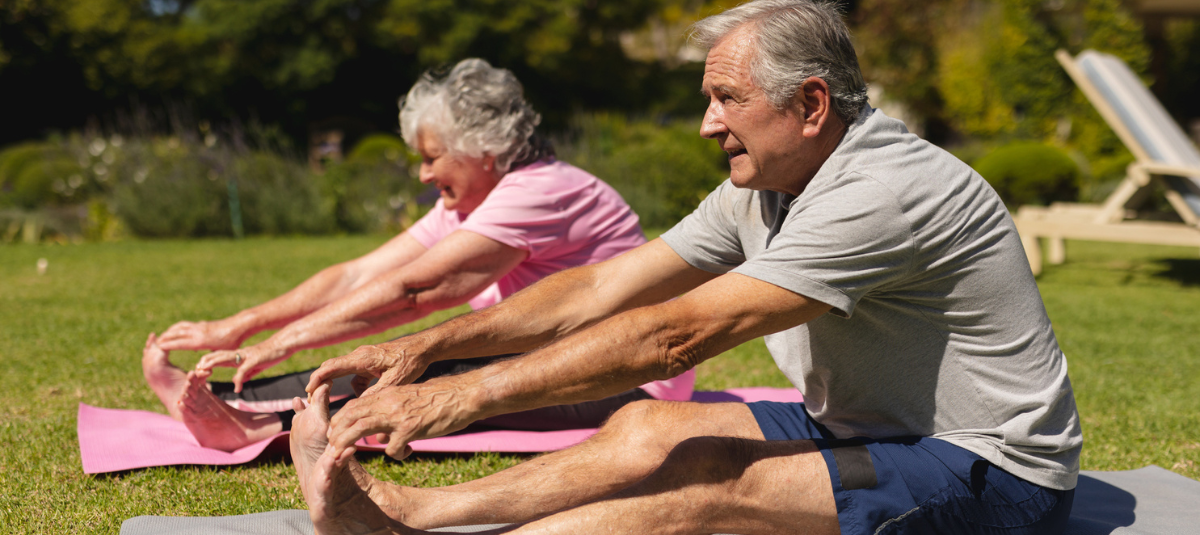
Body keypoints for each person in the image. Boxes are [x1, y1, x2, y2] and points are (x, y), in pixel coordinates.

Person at [289, 1, 1083, 533]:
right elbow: (605, 285)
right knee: (642, 426)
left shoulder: (880, 190)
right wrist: (424, 350)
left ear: (810, 106)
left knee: (706, 477)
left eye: (726, 99)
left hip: (991, 466)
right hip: (870, 420)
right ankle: (404, 515)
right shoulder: (767, 183)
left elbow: (674, 336)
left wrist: (459, 396)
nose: (707, 124)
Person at [141, 58, 695, 452]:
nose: (423, 174)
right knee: (424, 358)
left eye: (433, 158)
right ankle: (223, 401)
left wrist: (279, 342)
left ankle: (257, 426)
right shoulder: (472, 199)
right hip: (551, 359)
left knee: (432, 363)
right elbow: (361, 273)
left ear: (484, 149)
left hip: (624, 380)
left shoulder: (542, 191)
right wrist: (241, 326)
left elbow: (415, 294)